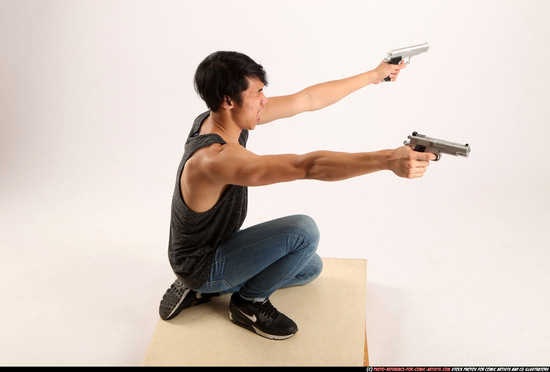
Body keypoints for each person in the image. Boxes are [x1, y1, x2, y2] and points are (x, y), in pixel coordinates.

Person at [159, 51, 436, 340]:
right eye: (257, 93)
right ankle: (246, 303)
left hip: (214, 246)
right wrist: (387, 160)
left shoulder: (221, 118)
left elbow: (308, 99)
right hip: (201, 263)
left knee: (309, 267)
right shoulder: (215, 159)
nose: (264, 100)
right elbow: (307, 166)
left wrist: (373, 75)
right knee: (303, 233)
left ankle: (206, 288)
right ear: (228, 100)